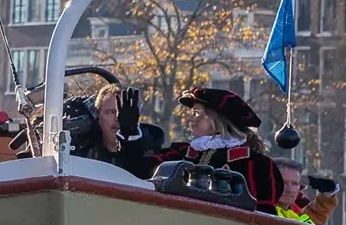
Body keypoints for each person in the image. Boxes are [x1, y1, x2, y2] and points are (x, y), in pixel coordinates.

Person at [115, 87, 285, 213]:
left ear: (217, 119)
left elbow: (265, 219)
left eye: (196, 113)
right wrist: (129, 134)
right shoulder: (181, 152)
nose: (190, 118)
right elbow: (137, 172)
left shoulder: (258, 165)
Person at [273, 159, 340, 225]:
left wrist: (327, 193)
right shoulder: (265, 210)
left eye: (294, 183)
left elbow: (313, 219)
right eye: (283, 182)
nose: (289, 189)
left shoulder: (295, 212)